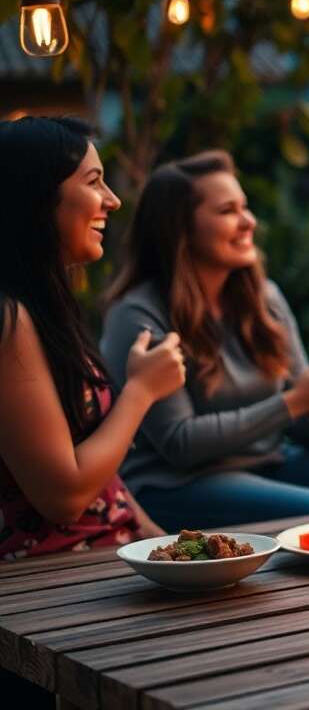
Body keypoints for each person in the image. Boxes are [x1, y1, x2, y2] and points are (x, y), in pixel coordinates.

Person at [100, 150, 309, 531]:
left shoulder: (263, 297)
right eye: (227, 211)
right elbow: (181, 443)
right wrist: (296, 400)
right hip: (175, 482)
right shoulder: (138, 316)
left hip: (269, 459)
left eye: (245, 207)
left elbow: (300, 412)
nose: (249, 222)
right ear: (180, 230)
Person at [0, 117, 185, 563]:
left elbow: (104, 481)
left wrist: (169, 542)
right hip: (53, 579)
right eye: (94, 182)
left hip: (107, 555)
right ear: (38, 196)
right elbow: (63, 496)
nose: (113, 200)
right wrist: (141, 391)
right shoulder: (9, 320)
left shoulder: (48, 310)